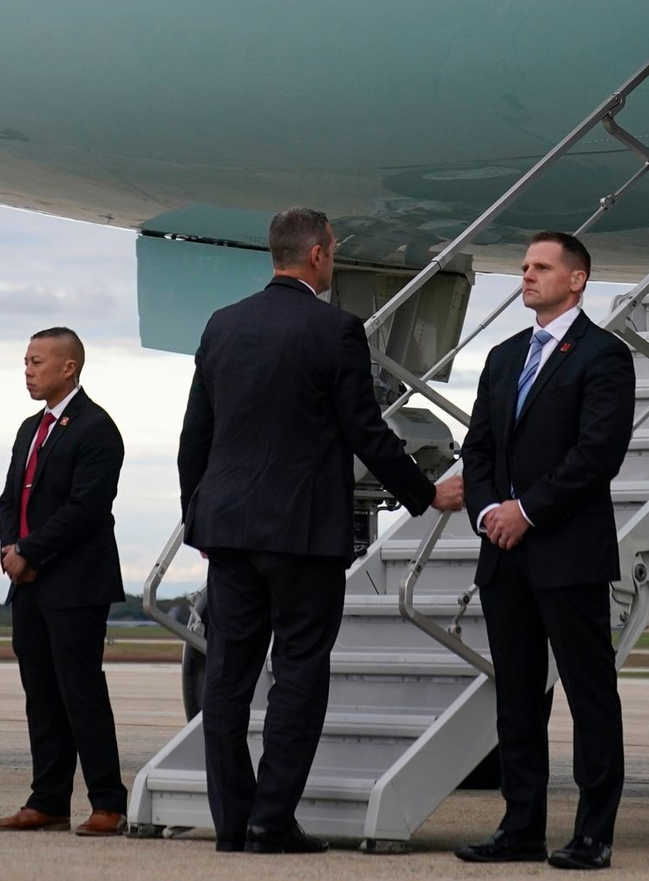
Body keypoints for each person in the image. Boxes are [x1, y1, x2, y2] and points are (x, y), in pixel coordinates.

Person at [178, 207, 465, 855]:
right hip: (303, 534)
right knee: (299, 673)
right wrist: (425, 492)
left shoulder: (223, 325)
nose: (332, 259)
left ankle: (232, 822)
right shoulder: (335, 330)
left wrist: (198, 515)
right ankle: (271, 820)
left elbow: (194, 435)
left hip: (228, 529)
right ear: (316, 256)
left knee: (227, 677)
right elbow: (366, 430)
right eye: (332, 250)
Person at [455, 232, 634, 871]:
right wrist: (486, 513)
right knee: (517, 698)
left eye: (540, 267)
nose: (526, 276)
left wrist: (526, 511)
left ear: (577, 280)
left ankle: (593, 833)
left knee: (590, 694)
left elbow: (596, 455)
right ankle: (520, 827)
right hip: (503, 554)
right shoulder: (504, 357)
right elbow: (476, 449)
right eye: (524, 267)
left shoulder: (605, 356)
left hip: (567, 552)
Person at [0, 327, 129, 837]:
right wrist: (11, 553)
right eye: (25, 361)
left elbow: (85, 510)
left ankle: (108, 803)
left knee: (81, 692)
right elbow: (10, 500)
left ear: (69, 367)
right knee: (40, 694)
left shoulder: (96, 429)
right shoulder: (29, 428)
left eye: (37, 362)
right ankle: (47, 800)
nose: (27, 370)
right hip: (28, 582)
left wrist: (29, 551)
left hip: (76, 584)